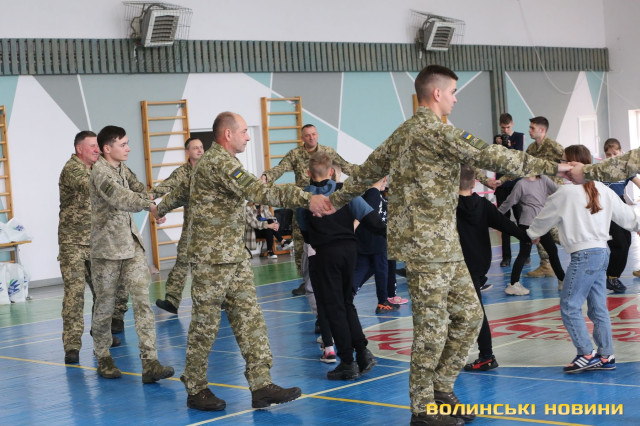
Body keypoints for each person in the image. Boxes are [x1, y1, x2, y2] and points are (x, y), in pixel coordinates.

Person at [327, 65, 569, 426]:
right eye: (453, 92)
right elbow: (494, 155)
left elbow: (363, 173)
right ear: (437, 93)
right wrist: (557, 167)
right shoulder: (436, 131)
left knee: (470, 316)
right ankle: (423, 409)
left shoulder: (401, 134)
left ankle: (440, 389)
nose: (456, 98)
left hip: (446, 245)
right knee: (431, 329)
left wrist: (333, 201)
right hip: (425, 249)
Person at [156, 111, 332, 411]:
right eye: (244, 132)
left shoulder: (219, 163)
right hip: (212, 260)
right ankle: (196, 388)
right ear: (228, 134)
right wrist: (306, 198)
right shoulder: (220, 163)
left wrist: (161, 208)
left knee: (250, 319)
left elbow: (186, 191)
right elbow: (259, 191)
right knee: (205, 326)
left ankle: (261, 385)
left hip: (233, 257)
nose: (248, 137)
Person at [527, 145, 640, 373]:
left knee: (569, 306)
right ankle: (606, 355)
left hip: (584, 257)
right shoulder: (602, 189)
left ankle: (586, 353)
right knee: (598, 308)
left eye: (564, 160)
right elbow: (627, 217)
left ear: (573, 164)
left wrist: (533, 234)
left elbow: (543, 218)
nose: (562, 164)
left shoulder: (564, 193)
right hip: (601, 254)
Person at [89, 125, 174, 383]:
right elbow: (121, 198)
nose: (128, 148)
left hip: (131, 246)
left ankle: (150, 362)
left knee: (142, 301)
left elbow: (138, 190)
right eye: (123, 144)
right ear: (107, 148)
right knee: (105, 306)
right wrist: (150, 206)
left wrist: (158, 201)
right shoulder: (100, 172)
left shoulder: (122, 168)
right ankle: (103, 356)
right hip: (107, 250)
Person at [297, 151, 383, 380]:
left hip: (324, 254)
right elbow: (372, 220)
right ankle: (362, 353)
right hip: (349, 251)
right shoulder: (344, 193)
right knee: (347, 303)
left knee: (333, 308)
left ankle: (347, 361)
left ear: (308, 172)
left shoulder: (304, 198)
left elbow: (305, 232)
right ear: (332, 171)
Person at [261, 124, 356, 295]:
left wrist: (368, 175)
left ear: (317, 135)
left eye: (313, 134)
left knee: (329, 243)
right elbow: (280, 168)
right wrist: (266, 177)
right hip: (304, 205)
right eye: (307, 135)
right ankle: (306, 281)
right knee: (301, 245)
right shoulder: (295, 154)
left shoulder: (327, 152)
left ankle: (331, 278)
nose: (311, 138)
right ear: (302, 138)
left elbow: (346, 166)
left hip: (327, 204)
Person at [58, 130, 127, 364]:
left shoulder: (98, 168)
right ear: (79, 149)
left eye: (98, 146)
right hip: (73, 244)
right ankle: (72, 346)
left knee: (104, 293)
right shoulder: (73, 169)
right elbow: (90, 185)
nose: (97, 150)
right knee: (75, 296)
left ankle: (102, 336)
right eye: (92, 147)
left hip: (96, 243)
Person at [457, 165, 529, 371]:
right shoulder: (482, 204)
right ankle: (479, 354)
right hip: (480, 264)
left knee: (469, 311)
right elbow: (505, 224)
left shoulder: (450, 206)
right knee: (471, 309)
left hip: (460, 265)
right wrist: (527, 236)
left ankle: (485, 355)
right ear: (474, 183)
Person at [153, 137, 204, 315]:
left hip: (214, 228)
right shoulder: (182, 172)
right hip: (192, 227)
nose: (200, 150)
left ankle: (223, 298)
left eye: (201, 147)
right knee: (182, 260)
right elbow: (167, 186)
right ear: (187, 152)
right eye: (195, 148)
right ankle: (172, 301)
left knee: (214, 264)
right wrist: (149, 198)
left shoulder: (210, 169)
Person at [497, 175, 566, 295]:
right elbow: (509, 202)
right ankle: (513, 284)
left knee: (552, 250)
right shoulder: (521, 184)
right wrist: (494, 215)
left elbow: (560, 192)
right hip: (528, 224)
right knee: (524, 253)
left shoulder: (544, 179)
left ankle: (562, 279)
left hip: (541, 223)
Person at [521, 116, 565, 278]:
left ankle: (580, 247)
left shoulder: (554, 146)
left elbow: (570, 161)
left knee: (552, 229)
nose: (529, 130)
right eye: (530, 127)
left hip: (553, 194)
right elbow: (522, 167)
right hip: (538, 195)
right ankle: (545, 264)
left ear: (542, 130)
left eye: (532, 128)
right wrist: (502, 180)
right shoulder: (531, 148)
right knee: (539, 226)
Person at [352, 176, 400, 314]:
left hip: (366, 241)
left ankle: (349, 293)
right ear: (383, 179)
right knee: (381, 270)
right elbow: (363, 214)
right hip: (376, 241)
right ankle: (382, 302)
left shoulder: (371, 194)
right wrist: (351, 230)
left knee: (364, 268)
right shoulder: (373, 193)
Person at [600, 138, 640, 293]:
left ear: (621, 152)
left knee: (627, 241)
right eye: (608, 155)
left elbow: (637, 182)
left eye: (615, 154)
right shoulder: (601, 169)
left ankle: (614, 276)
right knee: (619, 243)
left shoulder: (625, 169)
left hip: (620, 205)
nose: (612, 157)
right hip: (605, 209)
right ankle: (611, 277)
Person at [486, 113, 525, 267]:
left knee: (521, 220)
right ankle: (506, 257)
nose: (506, 131)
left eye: (508, 127)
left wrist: (509, 146)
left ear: (512, 124)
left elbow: (519, 157)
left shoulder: (519, 137)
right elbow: (494, 158)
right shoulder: (497, 138)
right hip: (501, 186)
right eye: (503, 128)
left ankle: (525, 254)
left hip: (516, 184)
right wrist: (497, 145)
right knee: (504, 222)